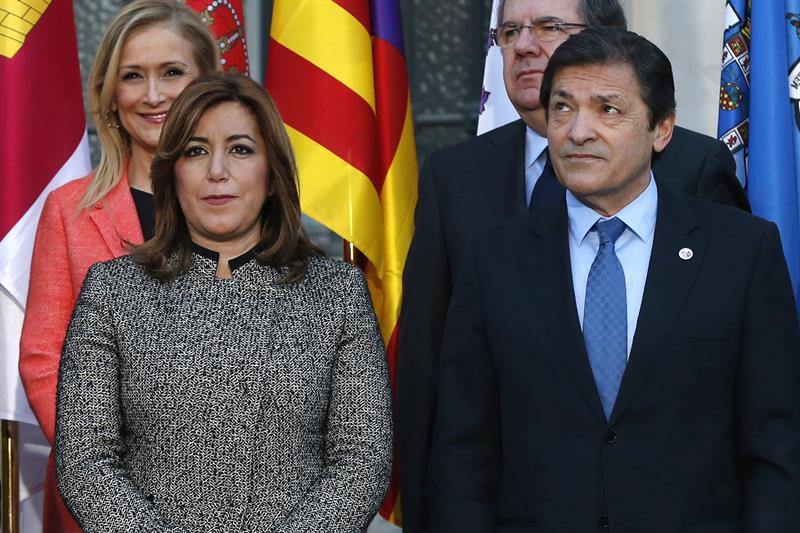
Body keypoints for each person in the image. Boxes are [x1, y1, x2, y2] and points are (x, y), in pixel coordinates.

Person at [395, 1, 751, 529]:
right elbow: (430, 365)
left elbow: (735, 372)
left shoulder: (695, 170)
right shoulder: (456, 174)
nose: (524, 45)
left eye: (549, 27)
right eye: (509, 31)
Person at [53, 73, 393, 532]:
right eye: (196, 151)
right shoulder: (112, 292)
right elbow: (86, 462)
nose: (217, 171)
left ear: (272, 175)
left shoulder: (338, 294)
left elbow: (361, 460)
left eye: (240, 149)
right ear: (171, 173)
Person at [18, 1, 220, 530]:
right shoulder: (70, 209)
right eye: (133, 76)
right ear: (111, 96)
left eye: (172, 73)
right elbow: (45, 358)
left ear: (208, 83)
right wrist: (107, 481)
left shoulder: (253, 201)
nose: (153, 96)